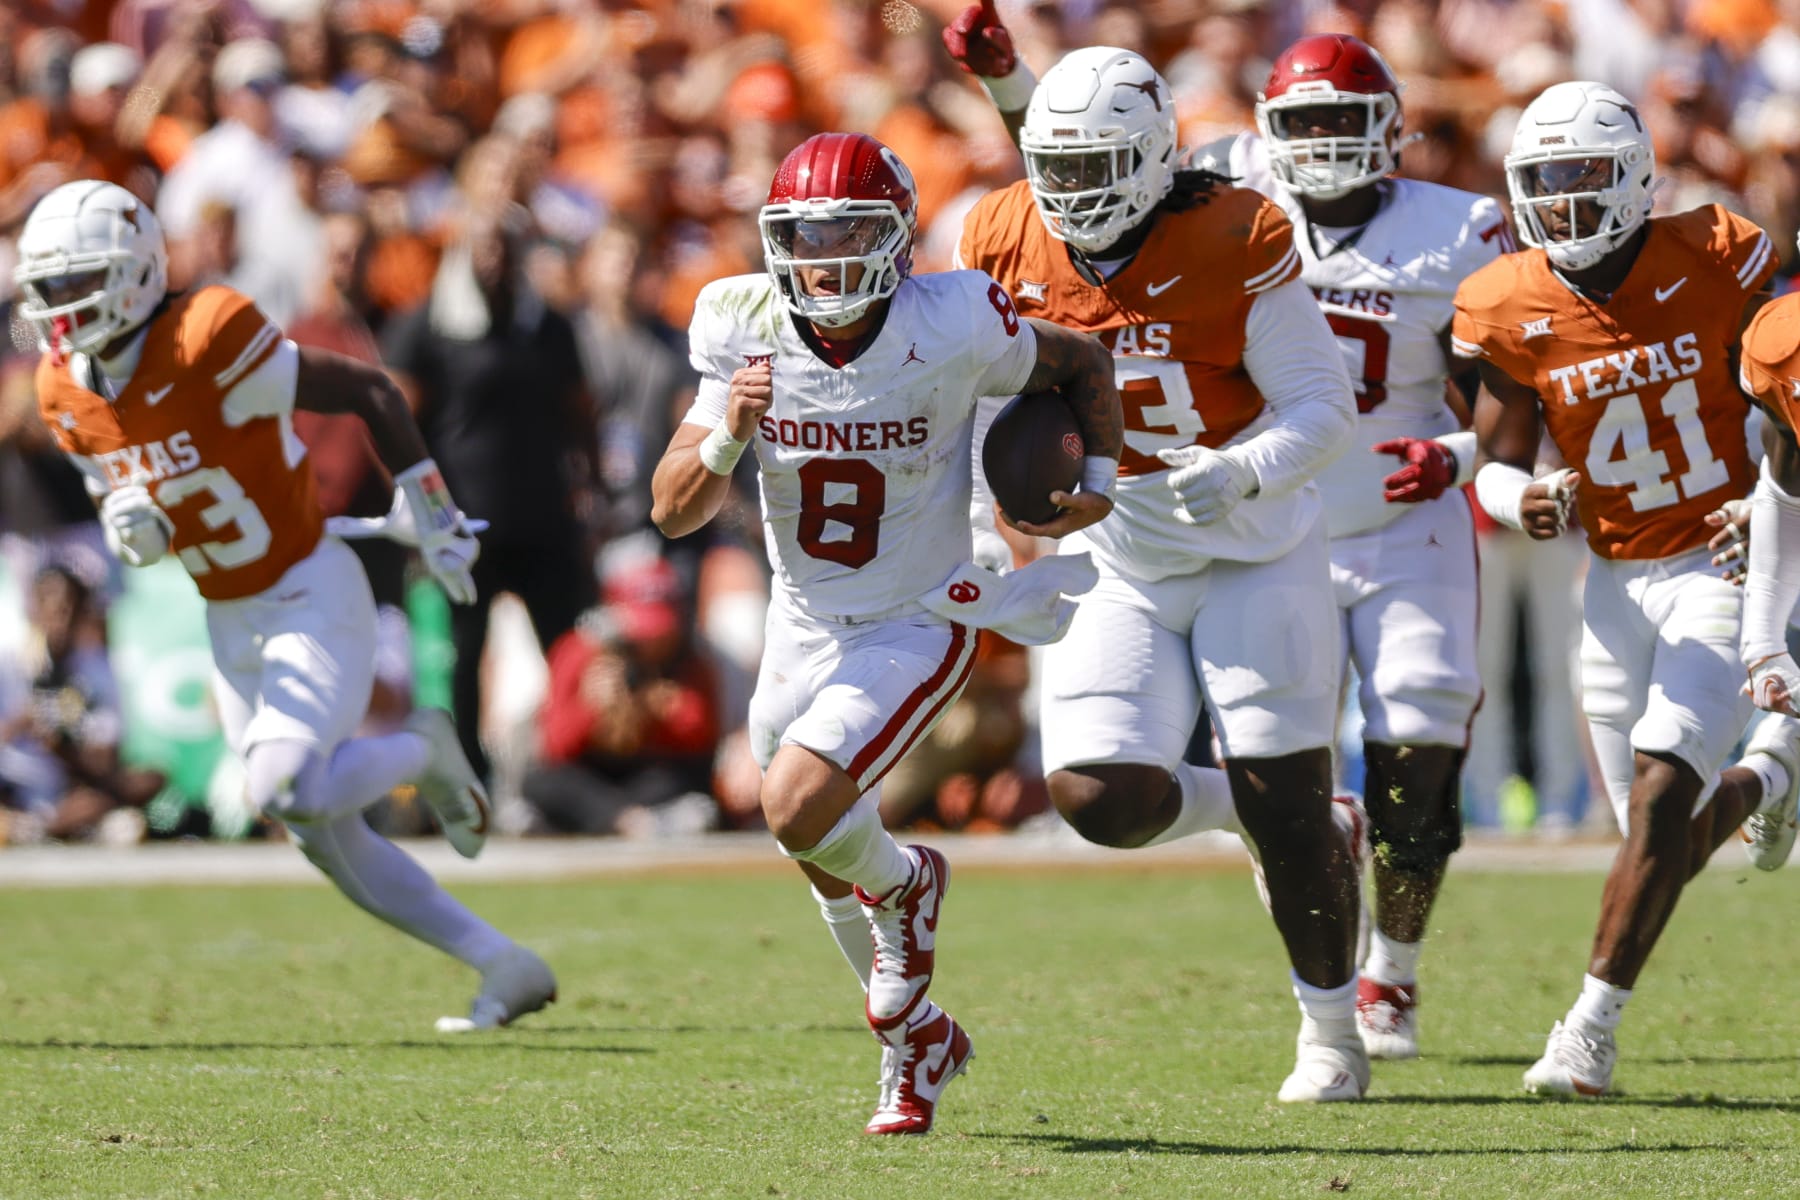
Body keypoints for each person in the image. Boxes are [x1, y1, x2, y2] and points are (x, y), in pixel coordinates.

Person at [650, 131, 1122, 1135]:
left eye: (849, 232)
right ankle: (918, 1051)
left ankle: (910, 887)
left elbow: (1079, 361)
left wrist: (1089, 487)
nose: (825, 258)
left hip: (917, 616)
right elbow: (671, 508)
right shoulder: (741, 321)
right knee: (820, 852)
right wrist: (730, 428)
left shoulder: (952, 320)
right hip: (802, 621)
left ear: (896, 235)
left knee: (795, 805)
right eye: (806, 236)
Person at [943, 11, 1369, 1101]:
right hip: (1118, 550)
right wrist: (990, 523)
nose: (1075, 191)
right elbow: (966, 398)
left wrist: (1241, 469)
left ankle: (1332, 1033)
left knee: (1283, 793)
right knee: (1098, 797)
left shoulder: (1235, 232)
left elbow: (1323, 407)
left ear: (1154, 158)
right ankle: (1286, 818)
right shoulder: (1001, 233)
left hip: (1251, 545)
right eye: (1056, 167)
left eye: (1098, 167)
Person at [15, 179, 557, 1033]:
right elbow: (132, 507)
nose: (57, 308)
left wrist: (431, 502)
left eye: (75, 283)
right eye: (48, 287)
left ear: (132, 274)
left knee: (287, 784)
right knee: (321, 838)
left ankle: (424, 744)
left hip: (310, 585)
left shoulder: (207, 334)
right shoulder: (63, 391)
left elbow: (368, 391)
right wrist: (131, 531)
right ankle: (503, 962)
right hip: (228, 614)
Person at [1455, 81, 1800, 1097]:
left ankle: (1586, 1032)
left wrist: (1770, 500)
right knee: (1659, 837)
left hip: (1723, 557)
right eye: (1543, 184)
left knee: (1659, 801)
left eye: (1582, 179)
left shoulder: (1717, 251)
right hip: (1610, 576)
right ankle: (1776, 775)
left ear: (1637, 176)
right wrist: (1524, 503)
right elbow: (1497, 457)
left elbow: (1777, 387)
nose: (1561, 204)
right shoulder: (1508, 300)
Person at [1180, 32, 1513, 1060]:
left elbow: (1519, 385)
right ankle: (1325, 966)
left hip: (1405, 523)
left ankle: (1395, 975)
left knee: (1418, 750)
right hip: (1275, 531)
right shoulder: (1226, 191)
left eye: (1342, 117)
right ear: (1268, 132)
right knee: (1274, 777)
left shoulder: (1461, 230)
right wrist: (1012, 86)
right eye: (1305, 118)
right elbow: (1073, 183)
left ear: (1390, 127)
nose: (1323, 139)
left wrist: (1459, 456)